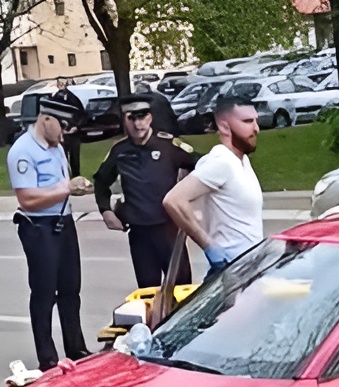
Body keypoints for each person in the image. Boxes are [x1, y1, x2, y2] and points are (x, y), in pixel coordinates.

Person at [7, 96, 93, 371]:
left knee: (71, 289)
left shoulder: (56, 147)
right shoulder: (23, 151)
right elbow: (27, 199)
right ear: (46, 119)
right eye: (63, 127)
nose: (64, 135)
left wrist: (73, 187)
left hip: (63, 222)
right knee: (44, 292)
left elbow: (59, 184)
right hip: (39, 226)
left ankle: (76, 348)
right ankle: (47, 357)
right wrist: (67, 189)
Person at [93, 94, 198, 290]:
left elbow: (201, 166)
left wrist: (190, 197)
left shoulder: (169, 146)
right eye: (131, 118)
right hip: (139, 234)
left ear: (150, 118)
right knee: (147, 292)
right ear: (124, 120)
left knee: (181, 290)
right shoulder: (119, 151)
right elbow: (100, 182)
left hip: (169, 230)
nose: (138, 124)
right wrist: (106, 210)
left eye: (142, 117)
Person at [163, 94, 263, 276]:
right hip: (231, 270)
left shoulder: (241, 160)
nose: (256, 128)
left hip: (249, 267)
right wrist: (210, 246)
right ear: (224, 126)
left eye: (256, 121)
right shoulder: (220, 162)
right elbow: (174, 200)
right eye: (247, 121)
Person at [50, 78, 87, 177]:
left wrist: (76, 126)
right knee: (62, 157)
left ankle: (76, 177)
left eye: (63, 83)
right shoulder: (55, 98)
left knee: (75, 157)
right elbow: (52, 115)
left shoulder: (73, 99)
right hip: (61, 134)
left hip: (74, 134)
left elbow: (81, 114)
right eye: (59, 83)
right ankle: (63, 177)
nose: (61, 85)